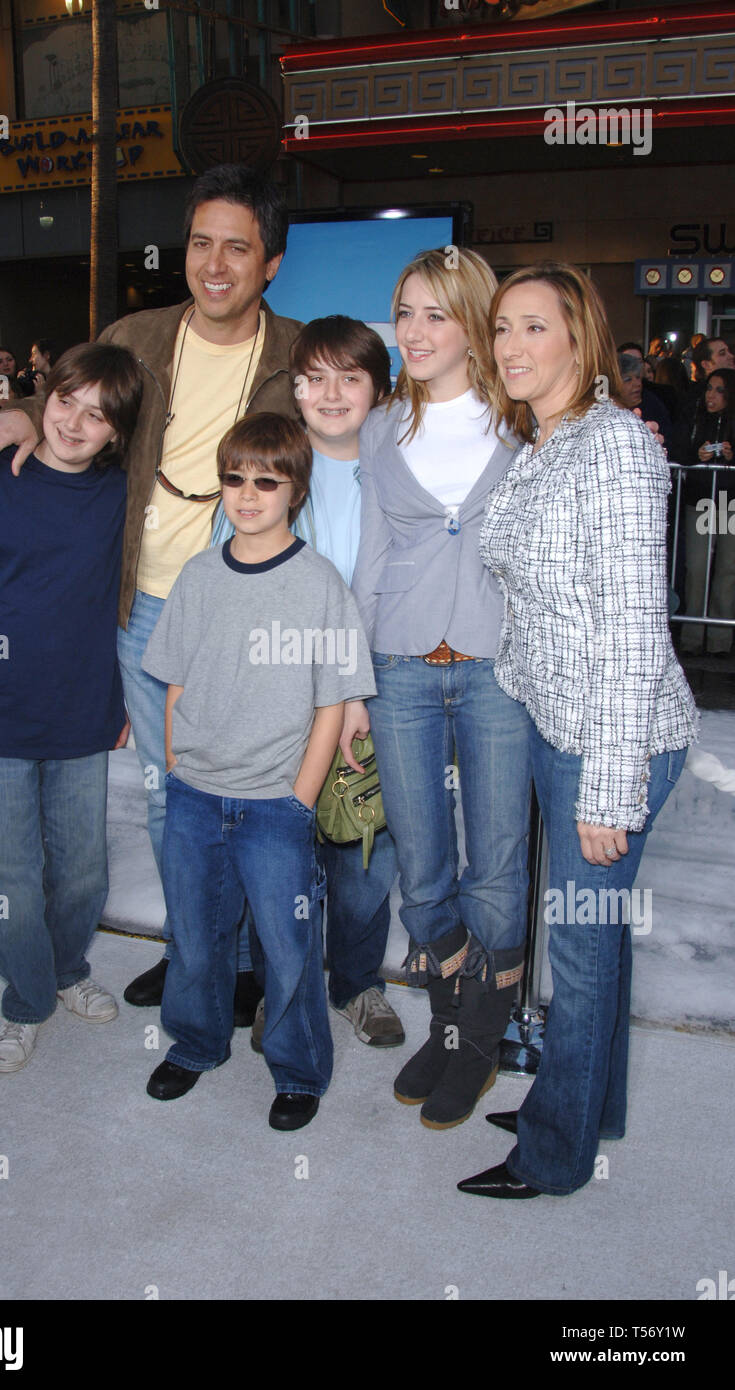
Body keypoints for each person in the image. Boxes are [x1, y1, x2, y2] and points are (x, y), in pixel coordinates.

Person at [0, 164, 302, 1022]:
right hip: (139, 615)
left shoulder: (298, 351)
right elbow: (81, 389)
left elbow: (364, 415)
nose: (214, 263)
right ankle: (199, 955)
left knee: (249, 797)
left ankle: (249, 967)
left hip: (236, 619)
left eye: (238, 246)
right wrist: (21, 408)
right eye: (200, 243)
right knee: (167, 802)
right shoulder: (139, 331)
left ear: (270, 263)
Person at [459, 263, 697, 1199]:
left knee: (581, 950)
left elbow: (635, 626)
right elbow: (535, 607)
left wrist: (608, 788)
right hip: (564, 732)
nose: (512, 346)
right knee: (597, 941)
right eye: (503, 329)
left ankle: (556, 1155)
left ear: (578, 340)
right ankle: (588, 1103)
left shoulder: (613, 449)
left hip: (615, 742)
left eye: (533, 328)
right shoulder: (545, 443)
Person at [142, 412, 375, 1131]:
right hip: (195, 797)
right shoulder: (198, 575)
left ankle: (299, 1071)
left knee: (288, 947)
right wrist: (179, 763)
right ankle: (195, 1042)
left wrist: (299, 799)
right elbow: (174, 680)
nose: (247, 495)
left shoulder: (319, 583)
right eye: (234, 479)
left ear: (295, 490)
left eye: (266, 482)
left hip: (276, 804)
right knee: (195, 933)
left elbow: (333, 701)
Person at [0, 343, 143, 1074]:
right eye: (67, 401)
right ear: (44, 397)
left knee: (81, 872)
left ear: (117, 432)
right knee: (8, 875)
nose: (76, 423)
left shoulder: (118, 497)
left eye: (99, 416)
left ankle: (67, 969)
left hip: (83, 711)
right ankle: (26, 999)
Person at [349, 248, 533, 1131]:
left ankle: (474, 1043)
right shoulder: (382, 427)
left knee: (494, 869)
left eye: (433, 314)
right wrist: (350, 678)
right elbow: (373, 556)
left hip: (499, 669)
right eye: (403, 311)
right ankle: (451, 1022)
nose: (413, 332)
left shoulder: (526, 424)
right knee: (421, 875)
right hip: (400, 668)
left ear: (471, 323)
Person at [216, 315, 405, 1048]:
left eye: (349, 377)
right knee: (281, 858)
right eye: (314, 377)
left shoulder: (399, 467)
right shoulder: (269, 466)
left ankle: (358, 985)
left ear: (378, 389)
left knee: (363, 858)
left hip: (381, 694)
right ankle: (281, 991)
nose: (331, 394)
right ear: (292, 389)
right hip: (282, 698)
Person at [680, 367, 735, 656]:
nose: (711, 395)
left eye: (719, 390)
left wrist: (730, 455)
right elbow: (680, 451)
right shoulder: (695, 415)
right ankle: (691, 636)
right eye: (709, 388)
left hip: (728, 500)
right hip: (702, 498)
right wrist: (695, 455)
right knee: (698, 568)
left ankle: (720, 641)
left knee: (727, 570)